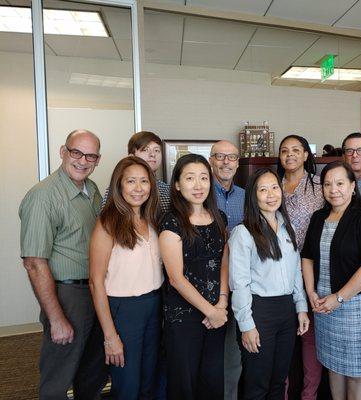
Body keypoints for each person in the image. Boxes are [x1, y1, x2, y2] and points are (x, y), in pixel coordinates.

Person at [19, 129, 108, 400]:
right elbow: (34, 262)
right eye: (76, 152)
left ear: (97, 159)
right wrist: (57, 319)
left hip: (95, 291)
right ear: (62, 152)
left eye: (90, 155)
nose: (83, 160)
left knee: (93, 371)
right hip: (67, 296)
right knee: (59, 374)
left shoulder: (90, 189)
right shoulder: (43, 196)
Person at [301, 160, 361, 400]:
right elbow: (307, 256)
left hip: (358, 307)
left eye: (340, 183)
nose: (333, 189)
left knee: (358, 372)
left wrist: (339, 298)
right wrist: (311, 293)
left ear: (352, 186)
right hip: (324, 305)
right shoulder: (318, 218)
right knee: (334, 365)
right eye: (327, 184)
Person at [229, 168, 310, 400]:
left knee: (278, 382)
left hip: (286, 312)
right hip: (259, 313)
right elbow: (239, 283)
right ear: (253, 197)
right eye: (262, 190)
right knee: (257, 385)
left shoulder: (287, 227)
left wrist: (301, 307)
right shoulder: (243, 233)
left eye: (275, 187)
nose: (271, 194)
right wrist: (246, 325)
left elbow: (296, 272)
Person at [89, 156, 163, 399]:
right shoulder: (107, 223)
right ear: (119, 185)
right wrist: (110, 336)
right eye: (131, 181)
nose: (138, 188)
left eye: (144, 181)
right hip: (123, 310)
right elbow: (95, 282)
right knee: (127, 384)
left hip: (154, 304)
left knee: (150, 380)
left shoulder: (152, 219)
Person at [159, 153, 229, 399]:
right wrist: (210, 311)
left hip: (217, 314)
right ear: (177, 185)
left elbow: (224, 262)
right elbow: (176, 278)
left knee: (211, 381)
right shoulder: (171, 223)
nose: (198, 185)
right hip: (184, 317)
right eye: (190, 178)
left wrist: (221, 303)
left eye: (203, 178)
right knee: (184, 383)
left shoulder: (219, 218)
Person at [277, 135, 324, 400]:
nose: (290, 155)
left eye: (296, 150)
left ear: (307, 154)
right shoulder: (272, 185)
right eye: (285, 151)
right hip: (278, 271)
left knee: (310, 338)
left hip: (312, 270)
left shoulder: (319, 186)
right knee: (283, 337)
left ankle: (310, 395)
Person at [208, 140, 245, 400]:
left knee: (233, 353)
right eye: (219, 156)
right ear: (211, 160)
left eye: (231, 157)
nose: (225, 162)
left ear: (238, 162)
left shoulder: (246, 196)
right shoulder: (199, 193)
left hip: (240, 283)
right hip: (207, 285)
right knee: (208, 354)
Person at [102, 131, 171, 213]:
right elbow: (106, 220)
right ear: (132, 156)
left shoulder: (168, 190)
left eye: (156, 150)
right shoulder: (117, 189)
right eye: (145, 150)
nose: (152, 154)